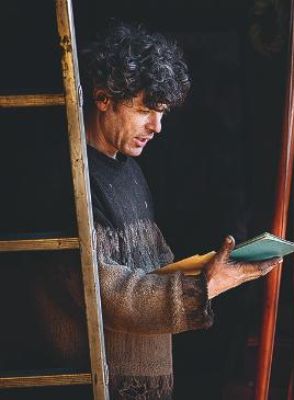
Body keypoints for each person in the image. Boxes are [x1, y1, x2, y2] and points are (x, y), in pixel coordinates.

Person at [33, 22, 280, 399]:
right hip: (97, 389)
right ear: (103, 98)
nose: (157, 126)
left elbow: (155, 261)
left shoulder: (130, 167)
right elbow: (102, 291)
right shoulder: (66, 177)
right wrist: (201, 288)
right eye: (146, 110)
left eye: (162, 112)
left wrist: (211, 273)